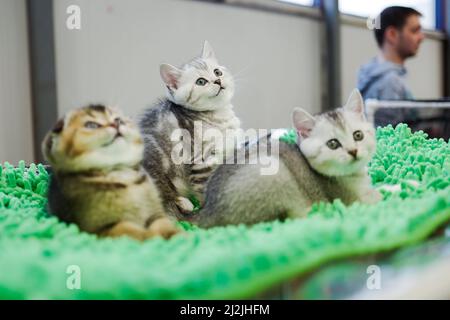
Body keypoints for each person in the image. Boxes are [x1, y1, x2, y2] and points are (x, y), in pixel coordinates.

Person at [357, 6, 425, 126]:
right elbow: (389, 137)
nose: (421, 37)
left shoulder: (372, 73)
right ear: (392, 34)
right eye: (415, 31)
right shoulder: (390, 82)